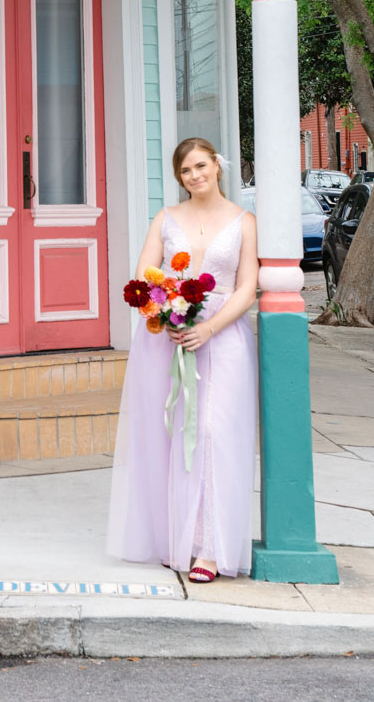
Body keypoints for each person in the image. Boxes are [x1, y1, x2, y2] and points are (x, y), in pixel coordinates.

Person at [106, 136, 259, 582]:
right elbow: (144, 276)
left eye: (200, 166)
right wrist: (165, 310)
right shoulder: (166, 218)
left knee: (213, 433)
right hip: (169, 338)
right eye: (185, 172)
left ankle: (211, 549)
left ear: (217, 164)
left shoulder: (244, 222)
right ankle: (178, 540)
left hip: (224, 337)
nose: (194, 176)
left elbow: (248, 287)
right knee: (171, 436)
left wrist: (210, 326)